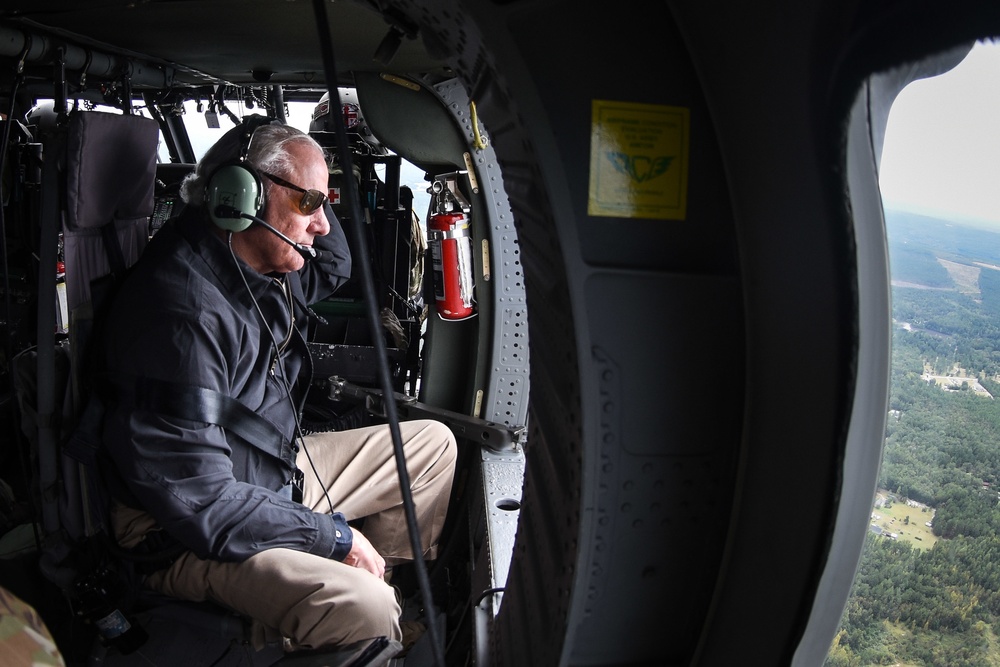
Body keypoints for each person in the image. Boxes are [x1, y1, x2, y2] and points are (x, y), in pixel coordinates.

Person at [98, 119, 457, 655]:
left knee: (432, 448)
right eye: (310, 201)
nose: (321, 224)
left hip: (265, 472)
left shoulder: (254, 265)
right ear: (239, 198)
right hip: (180, 530)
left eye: (322, 202)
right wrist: (337, 539)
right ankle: (363, 613)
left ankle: (378, 597)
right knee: (363, 608)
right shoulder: (180, 315)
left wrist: (305, 176)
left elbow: (334, 262)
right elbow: (204, 505)